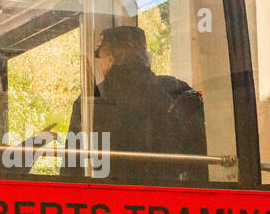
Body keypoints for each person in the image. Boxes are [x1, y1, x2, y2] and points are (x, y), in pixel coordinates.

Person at [62, 25, 205, 183]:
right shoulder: (175, 91)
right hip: (166, 195)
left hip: (106, 194)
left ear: (110, 58)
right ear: (144, 53)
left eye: (101, 56)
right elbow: (199, 156)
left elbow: (71, 167)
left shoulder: (91, 101)